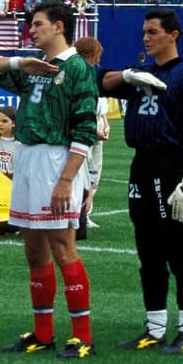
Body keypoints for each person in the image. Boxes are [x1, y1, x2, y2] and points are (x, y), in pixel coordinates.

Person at [0, 0, 99, 359]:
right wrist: (17, 62)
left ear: (59, 27)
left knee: (63, 248)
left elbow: (85, 128)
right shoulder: (32, 67)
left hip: (57, 160)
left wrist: (66, 180)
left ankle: (82, 336)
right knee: (33, 251)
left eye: (39, 23)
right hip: (27, 159)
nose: (32, 29)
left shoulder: (78, 69)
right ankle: (42, 333)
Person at [99, 8, 183, 355]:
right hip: (141, 165)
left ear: (172, 35)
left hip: (170, 165)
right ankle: (155, 326)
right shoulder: (141, 73)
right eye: (144, 32)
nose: (146, 38)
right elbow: (97, 80)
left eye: (152, 32)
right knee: (147, 249)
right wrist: (129, 75)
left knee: (179, 248)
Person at [74, 36, 108, 232]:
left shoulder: (92, 74)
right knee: (86, 170)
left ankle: (86, 213)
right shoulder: (80, 72)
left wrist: (104, 123)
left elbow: (100, 105)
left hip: (95, 122)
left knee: (95, 170)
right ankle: (80, 214)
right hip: (86, 127)